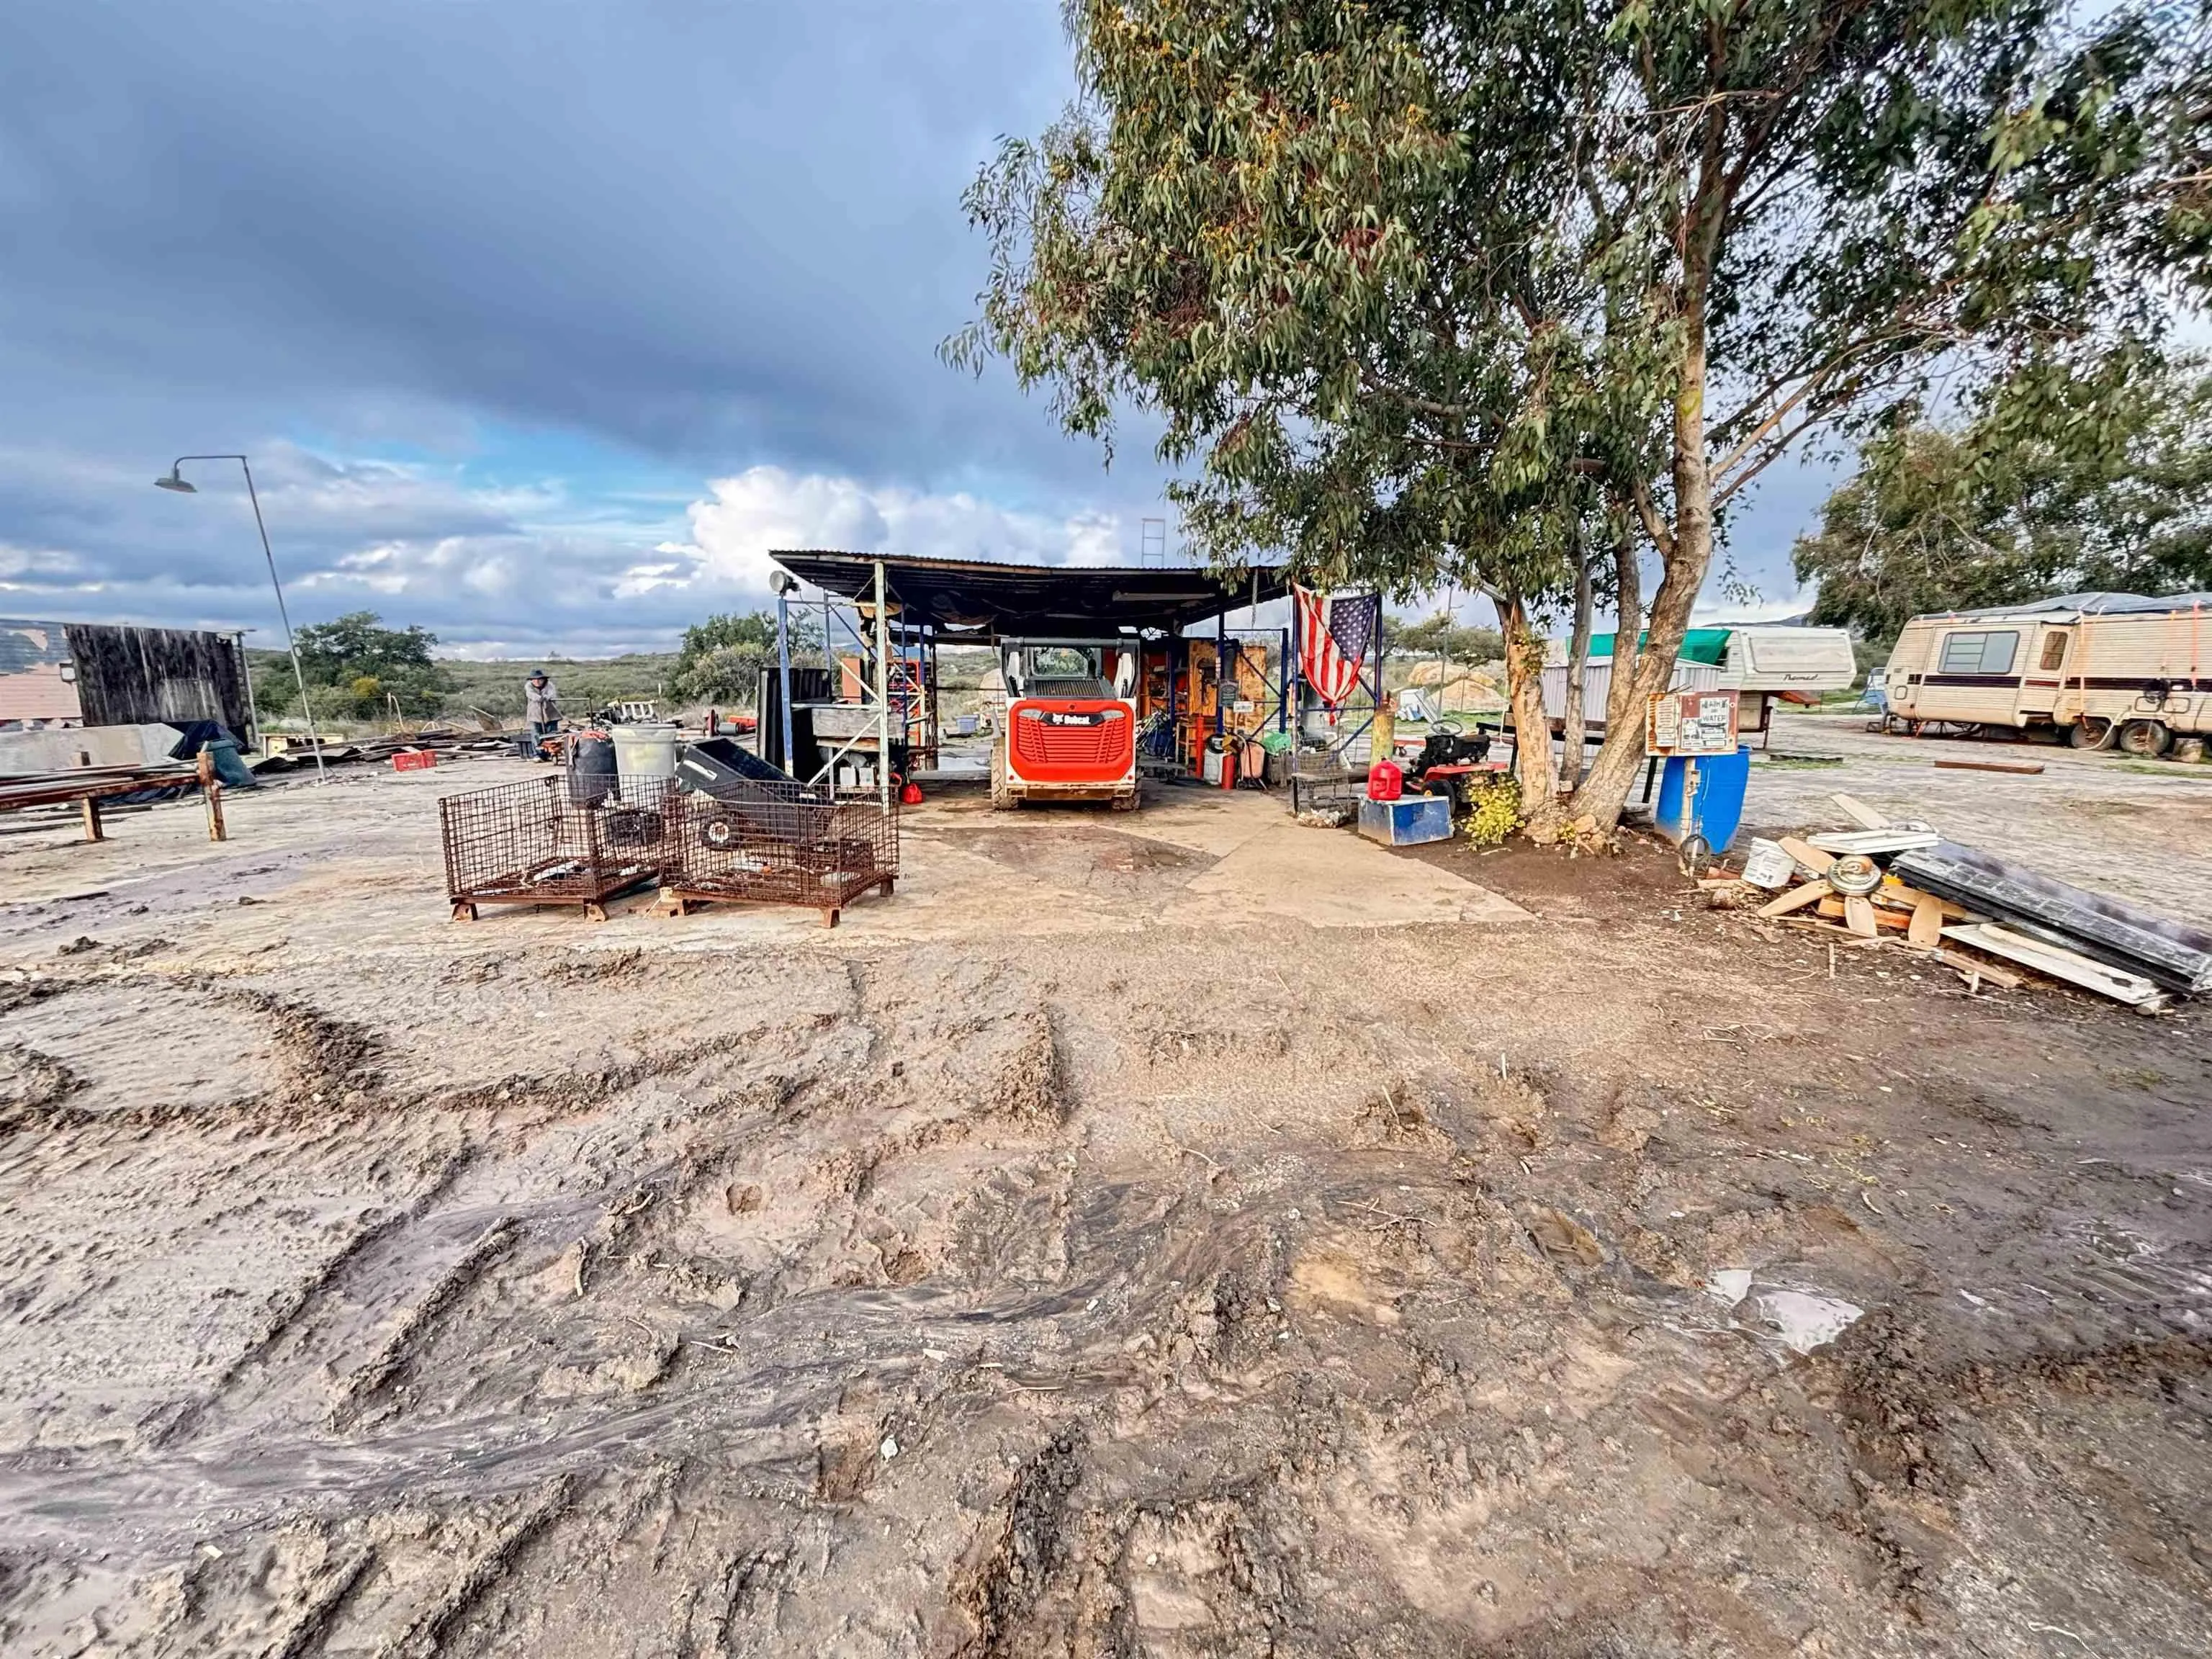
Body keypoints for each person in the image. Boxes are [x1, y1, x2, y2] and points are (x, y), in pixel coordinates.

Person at [524, 669, 561, 760]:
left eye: (539, 679)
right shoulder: (529, 686)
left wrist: (547, 697)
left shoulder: (550, 685)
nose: (536, 681)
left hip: (551, 714)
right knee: (537, 735)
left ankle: (551, 753)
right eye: (534, 679)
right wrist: (539, 698)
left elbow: (552, 694)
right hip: (535, 714)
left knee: (551, 735)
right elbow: (530, 694)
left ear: (543, 679)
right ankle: (538, 755)